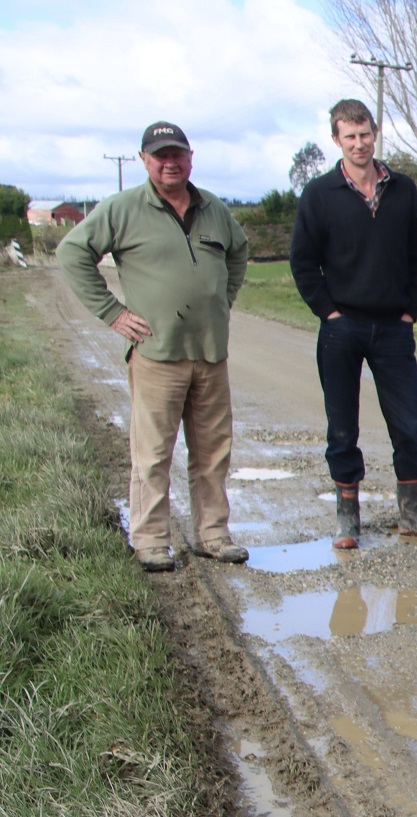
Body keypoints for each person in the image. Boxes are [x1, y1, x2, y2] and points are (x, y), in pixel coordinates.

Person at [58, 121, 250, 572]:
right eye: (160, 155)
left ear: (190, 158)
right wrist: (114, 313)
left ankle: (213, 535)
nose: (170, 163)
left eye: (177, 154)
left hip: (210, 353)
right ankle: (149, 540)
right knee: (153, 453)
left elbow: (239, 251)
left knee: (213, 451)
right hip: (156, 354)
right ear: (145, 160)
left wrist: (223, 300)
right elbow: (72, 253)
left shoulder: (214, 209)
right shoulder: (123, 209)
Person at [290, 98, 417, 548]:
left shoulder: (402, 188)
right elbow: (303, 263)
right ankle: (348, 521)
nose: (359, 143)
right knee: (342, 426)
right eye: (350, 136)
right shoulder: (319, 194)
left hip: (393, 328)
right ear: (336, 139)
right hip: (341, 327)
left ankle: (413, 515)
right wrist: (329, 311)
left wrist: (409, 311)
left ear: (375, 132)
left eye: (365, 134)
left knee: (409, 423)